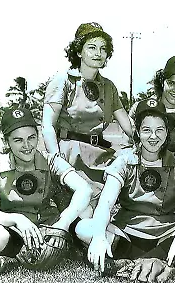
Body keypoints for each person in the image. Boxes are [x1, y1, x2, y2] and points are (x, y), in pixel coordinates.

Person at [75, 99, 175, 283]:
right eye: (147, 130)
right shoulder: (124, 160)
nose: (153, 136)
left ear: (167, 132)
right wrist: (98, 236)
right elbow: (105, 204)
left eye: (160, 130)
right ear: (137, 131)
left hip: (165, 234)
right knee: (83, 227)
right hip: (127, 233)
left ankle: (138, 260)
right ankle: (158, 261)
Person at [41, 22, 134, 212]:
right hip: (69, 157)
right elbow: (47, 126)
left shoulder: (109, 87)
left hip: (100, 156)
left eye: (103, 48)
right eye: (91, 47)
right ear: (78, 51)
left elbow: (128, 125)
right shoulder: (63, 81)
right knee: (85, 211)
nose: (98, 53)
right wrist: (57, 162)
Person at [0, 108, 93, 274]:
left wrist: (63, 223)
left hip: (50, 226)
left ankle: (71, 246)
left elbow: (85, 189)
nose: (27, 146)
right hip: (15, 230)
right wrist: (17, 219)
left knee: (86, 211)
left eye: (31, 138)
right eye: (18, 140)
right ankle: (13, 254)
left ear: (37, 136)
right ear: (6, 142)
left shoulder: (50, 160)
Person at [128, 56, 175, 186]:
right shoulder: (142, 107)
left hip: (174, 166)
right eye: (171, 83)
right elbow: (126, 145)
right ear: (162, 82)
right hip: (144, 163)